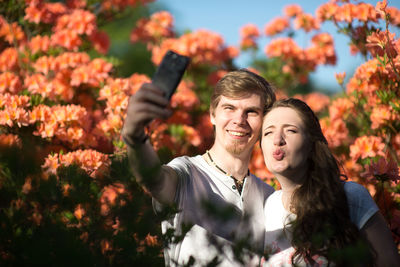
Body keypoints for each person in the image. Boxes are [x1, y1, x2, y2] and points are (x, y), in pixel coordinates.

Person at [121, 69, 276, 266]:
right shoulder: (186, 173)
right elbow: (153, 179)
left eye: (251, 111)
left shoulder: (269, 197)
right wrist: (134, 136)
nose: (239, 120)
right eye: (229, 108)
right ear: (212, 114)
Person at [260, 98, 400, 266]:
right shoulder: (268, 207)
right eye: (268, 132)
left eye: (291, 130)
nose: (277, 139)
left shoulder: (349, 196)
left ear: (311, 143)